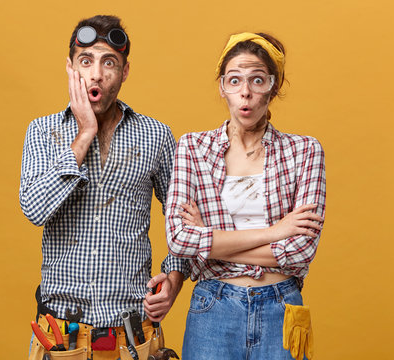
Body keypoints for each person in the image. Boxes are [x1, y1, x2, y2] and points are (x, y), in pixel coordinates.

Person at [20, 15, 188, 360]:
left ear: (125, 71)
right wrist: (84, 135)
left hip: (132, 337)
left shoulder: (156, 136)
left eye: (108, 62)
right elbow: (34, 208)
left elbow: (185, 221)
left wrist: (174, 278)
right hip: (61, 336)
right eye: (86, 61)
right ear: (70, 68)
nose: (96, 74)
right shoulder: (42, 131)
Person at [165, 32, 326, 360]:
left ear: (274, 86)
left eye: (257, 80)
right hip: (214, 307)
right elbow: (180, 239)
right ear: (222, 86)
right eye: (234, 80)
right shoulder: (193, 148)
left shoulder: (305, 152)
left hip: (281, 306)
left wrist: (209, 247)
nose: (246, 93)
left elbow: (300, 253)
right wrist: (275, 231)